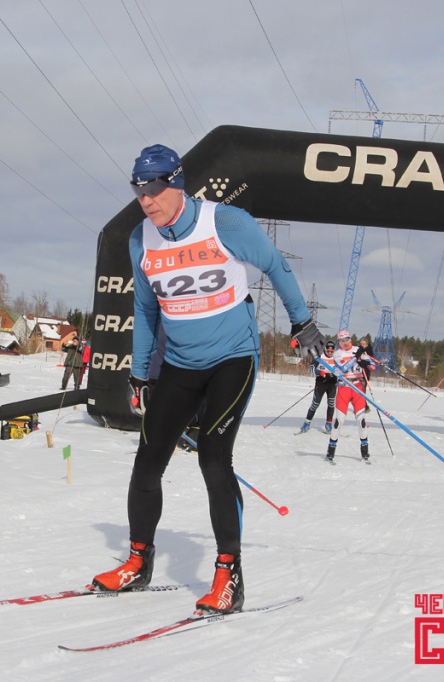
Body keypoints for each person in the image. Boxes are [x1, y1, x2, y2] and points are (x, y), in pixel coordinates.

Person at [90, 144, 322, 615]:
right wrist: (139, 374)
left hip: (232, 360)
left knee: (214, 459)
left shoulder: (225, 222)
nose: (146, 200)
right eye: (138, 190)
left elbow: (275, 264)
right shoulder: (141, 239)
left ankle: (229, 575)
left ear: (176, 183)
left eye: (154, 189)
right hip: (180, 365)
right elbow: (145, 309)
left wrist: (302, 321)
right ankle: (138, 562)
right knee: (147, 462)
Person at [325, 330, 371, 463]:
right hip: (344, 388)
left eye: (346, 339)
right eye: (341, 341)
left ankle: (365, 452)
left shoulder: (358, 350)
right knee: (339, 421)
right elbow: (343, 368)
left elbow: (372, 365)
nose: (344, 343)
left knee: (361, 420)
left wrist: (366, 363)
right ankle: (330, 452)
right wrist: (356, 358)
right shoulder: (337, 353)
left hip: (357, 388)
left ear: (350, 339)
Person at [300, 341, 337, 434]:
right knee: (315, 404)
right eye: (328, 350)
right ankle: (307, 423)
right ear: (325, 349)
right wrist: (321, 373)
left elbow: (341, 370)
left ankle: (328, 424)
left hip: (332, 384)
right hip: (321, 383)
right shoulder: (320, 357)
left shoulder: (337, 358)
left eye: (332, 351)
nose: (330, 352)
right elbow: (311, 368)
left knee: (331, 404)